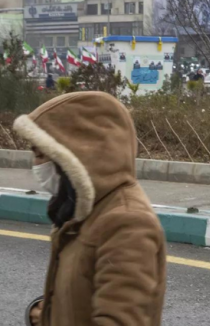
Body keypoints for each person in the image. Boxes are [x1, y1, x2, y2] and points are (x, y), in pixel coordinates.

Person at [16, 92, 167, 326]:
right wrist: (45, 314)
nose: (36, 165)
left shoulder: (127, 223)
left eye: (40, 154)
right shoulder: (88, 214)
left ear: (75, 155)